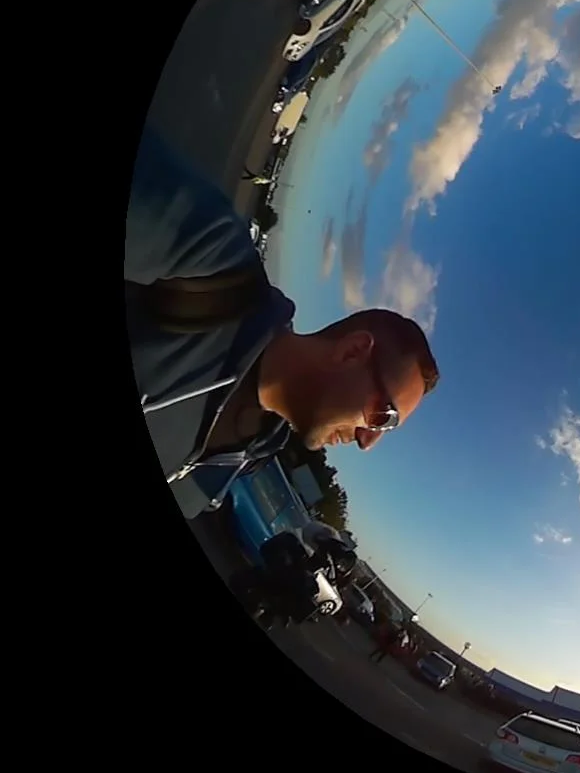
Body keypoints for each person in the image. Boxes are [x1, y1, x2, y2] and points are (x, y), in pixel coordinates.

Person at [125, 123, 441, 520]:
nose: (367, 442)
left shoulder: (254, 454)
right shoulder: (213, 262)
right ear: (353, 351)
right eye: (382, 416)